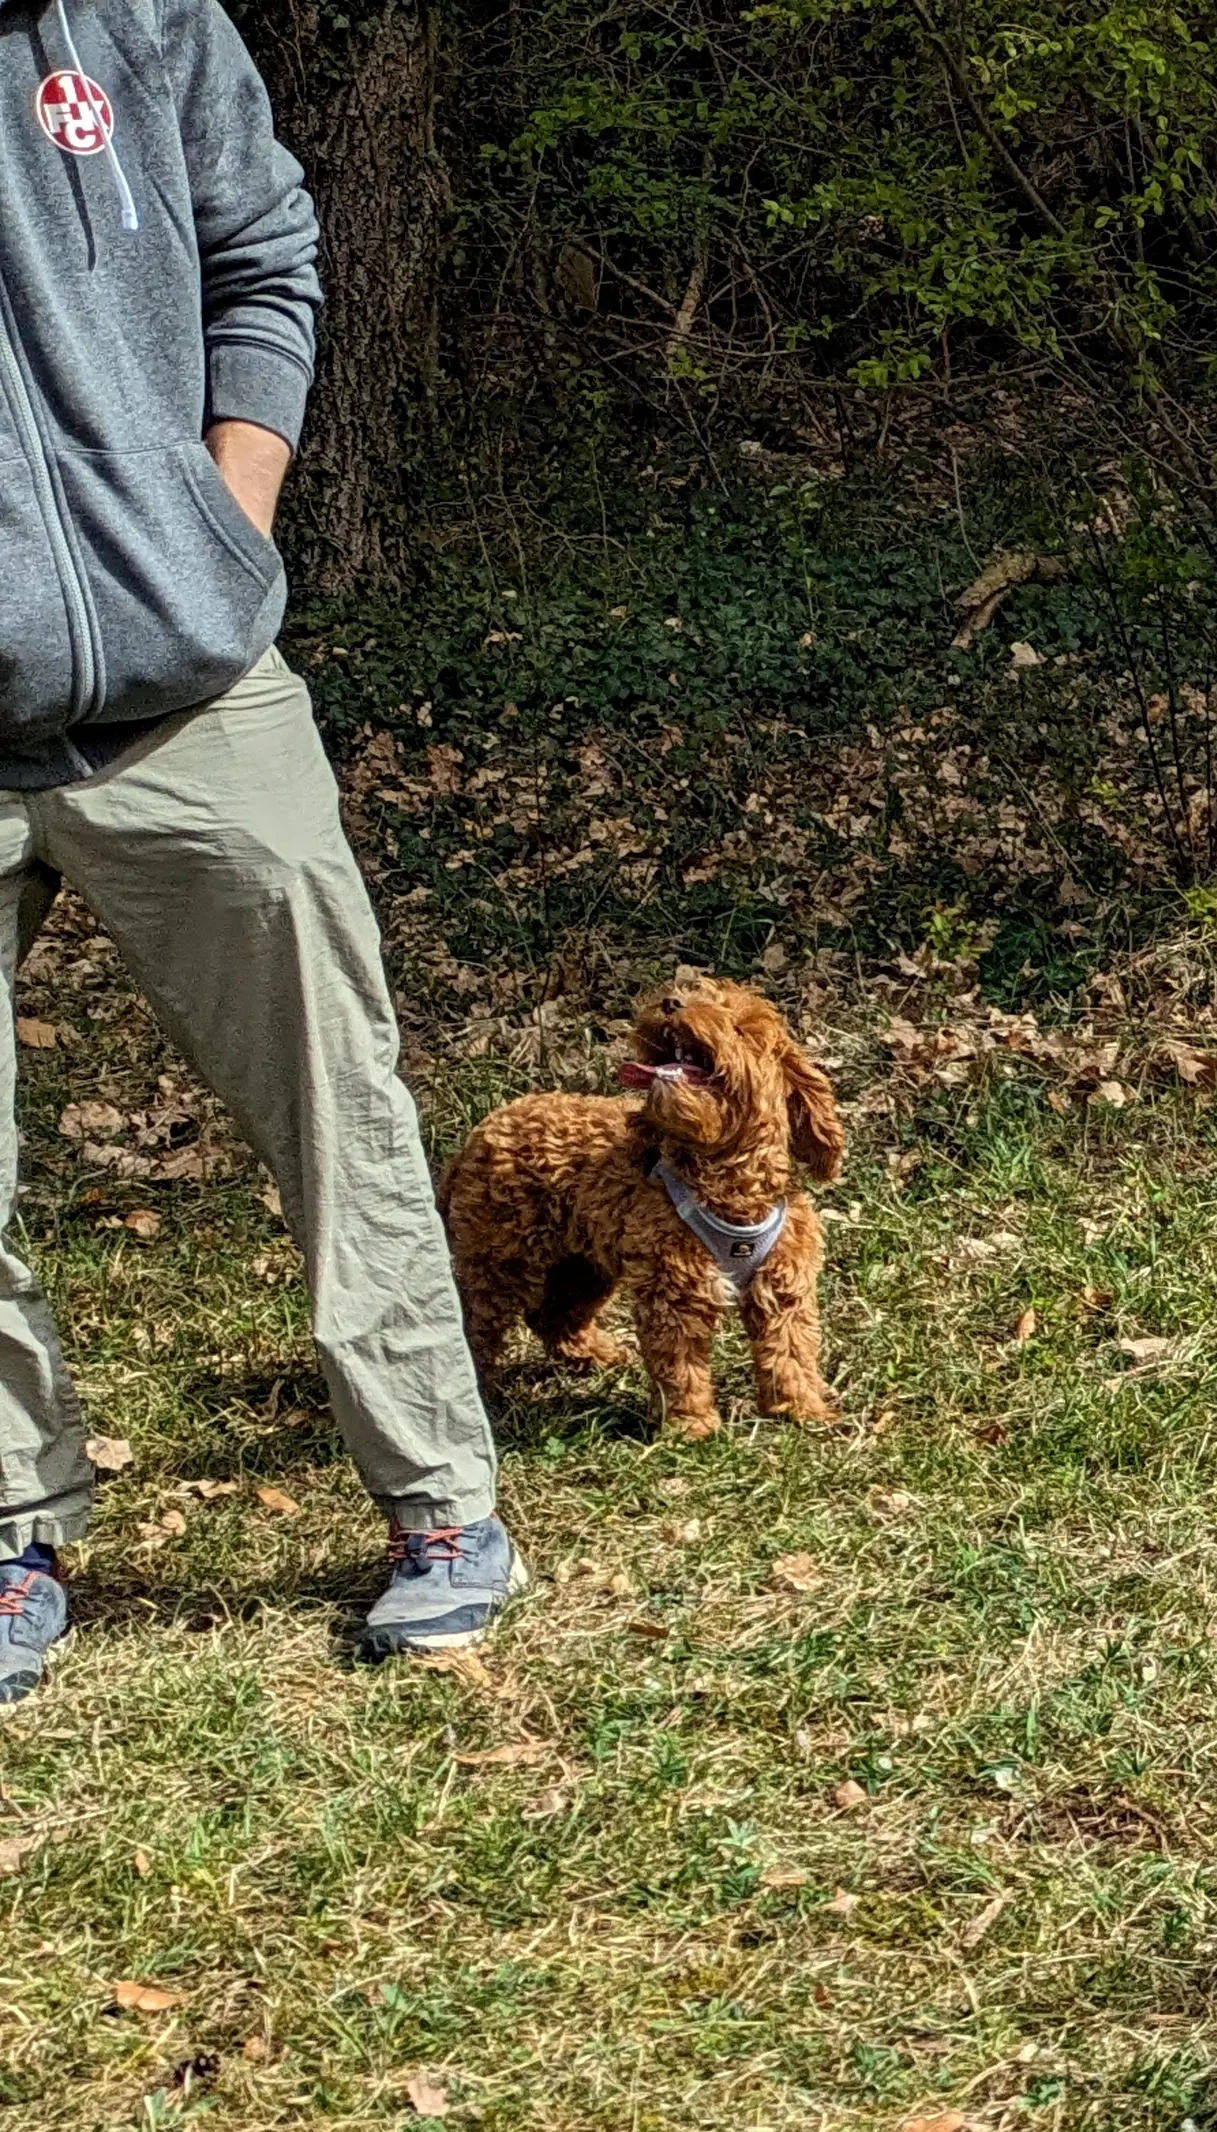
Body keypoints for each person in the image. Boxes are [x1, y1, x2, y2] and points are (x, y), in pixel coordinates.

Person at [0, 0, 523, 1702]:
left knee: (337, 1095)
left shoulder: (146, 19)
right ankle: (10, 1525)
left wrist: (226, 517)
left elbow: (264, 250)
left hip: (192, 684)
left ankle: (443, 1500)